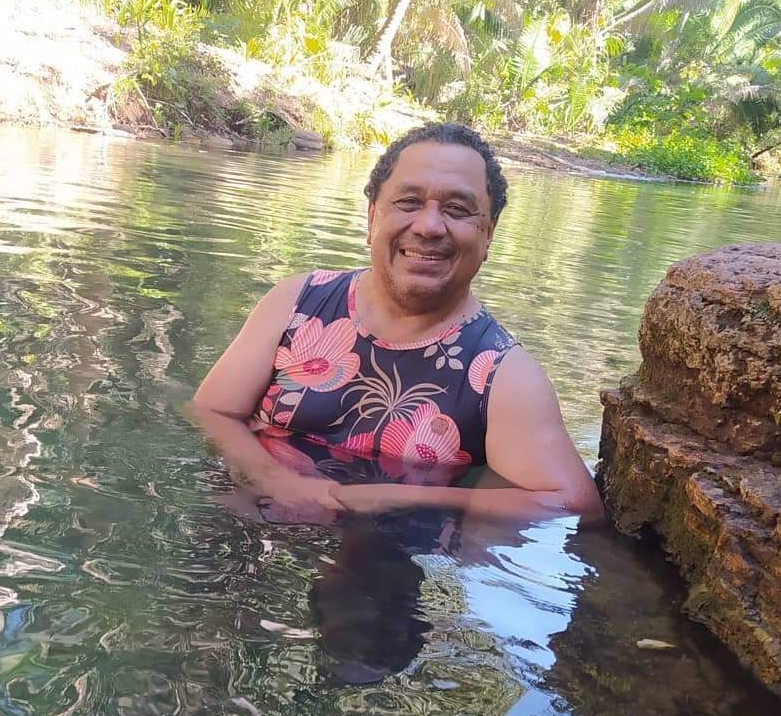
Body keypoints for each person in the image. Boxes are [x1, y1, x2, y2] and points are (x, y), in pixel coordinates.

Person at [191, 121, 604, 528]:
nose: (428, 226)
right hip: (250, 515)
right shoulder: (297, 304)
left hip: (386, 553)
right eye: (408, 202)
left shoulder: (500, 375)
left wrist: (383, 499)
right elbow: (212, 411)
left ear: (488, 234)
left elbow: (572, 503)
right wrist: (273, 479)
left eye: (457, 210)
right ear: (373, 216)